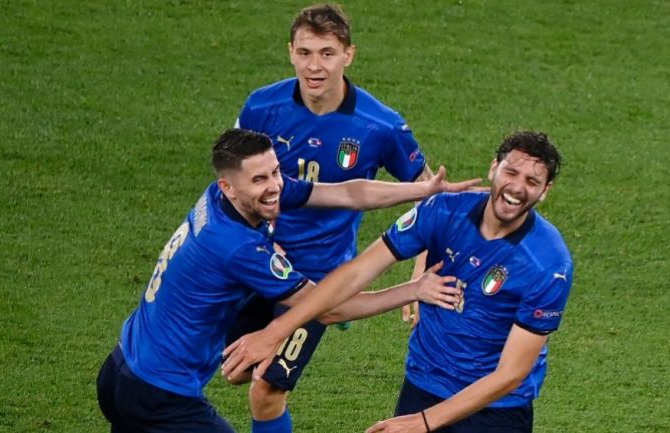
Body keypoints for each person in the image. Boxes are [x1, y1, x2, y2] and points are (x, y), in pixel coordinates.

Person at [96, 128, 477, 433]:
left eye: (275, 171)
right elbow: (329, 308)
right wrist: (413, 289)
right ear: (229, 185)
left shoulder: (222, 198)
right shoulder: (237, 247)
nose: (275, 185)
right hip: (159, 394)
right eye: (260, 178)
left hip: (121, 367)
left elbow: (345, 192)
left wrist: (424, 191)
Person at [221, 131, 574, 433]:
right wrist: (273, 332)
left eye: (532, 181)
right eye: (511, 172)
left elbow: (511, 374)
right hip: (423, 384)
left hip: (497, 412)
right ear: (493, 168)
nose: (517, 187)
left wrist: (423, 422)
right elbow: (358, 272)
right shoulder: (443, 211)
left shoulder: (548, 264)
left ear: (545, 191)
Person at [232, 3, 433, 430]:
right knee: (222, 366)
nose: (315, 66)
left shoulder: (380, 126)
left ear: (349, 55)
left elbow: (429, 194)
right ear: (290, 52)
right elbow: (232, 182)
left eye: (326, 53)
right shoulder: (261, 107)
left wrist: (423, 260)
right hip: (251, 260)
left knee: (266, 391)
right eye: (305, 53)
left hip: (317, 278)